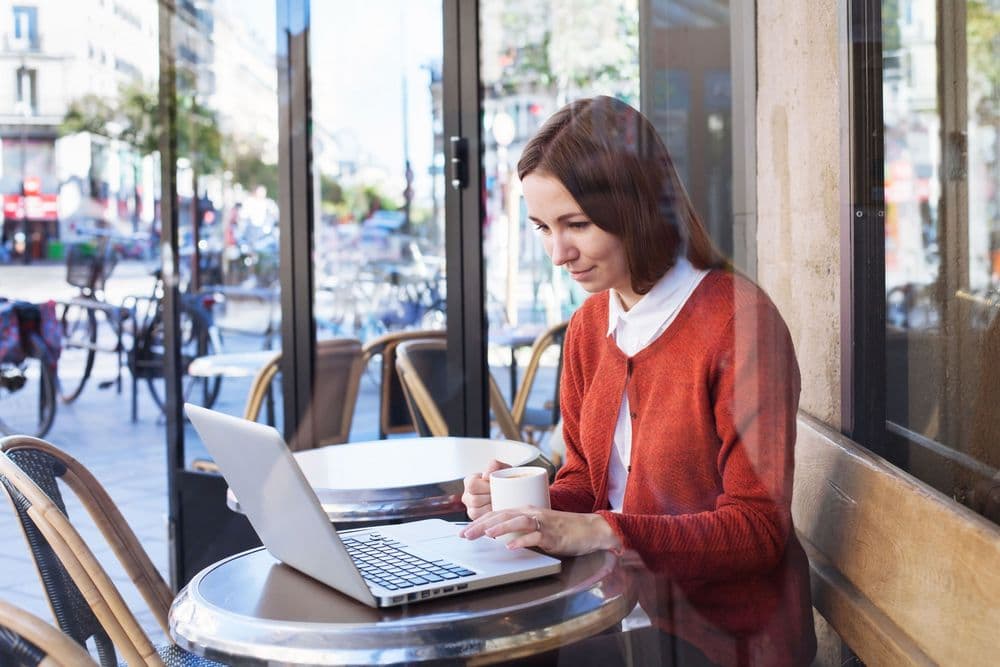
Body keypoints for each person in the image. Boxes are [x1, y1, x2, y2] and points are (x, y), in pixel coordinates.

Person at [459, 96, 816, 666]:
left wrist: (600, 533)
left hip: (722, 641)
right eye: (543, 228)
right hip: (621, 616)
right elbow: (586, 482)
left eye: (576, 225)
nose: (558, 253)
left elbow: (756, 530)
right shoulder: (588, 326)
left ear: (638, 206)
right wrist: (533, 508)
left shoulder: (737, 324)